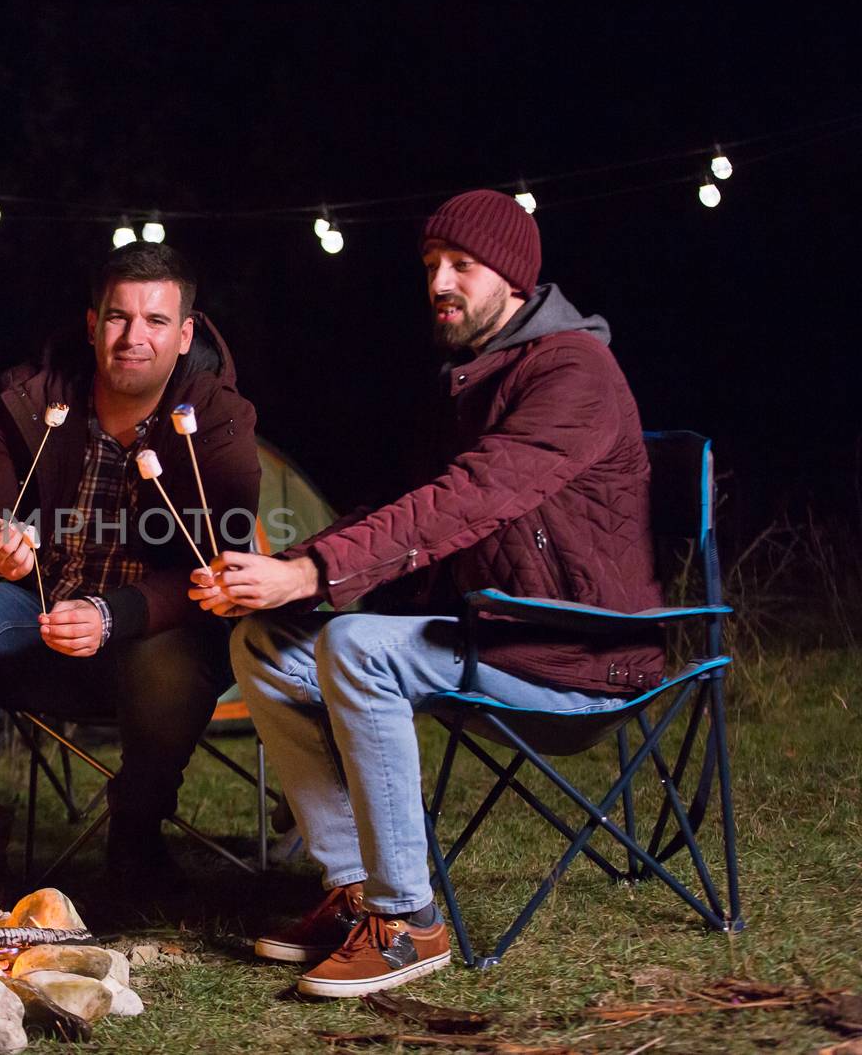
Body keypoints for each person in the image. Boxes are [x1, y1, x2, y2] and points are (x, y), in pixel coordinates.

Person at [192, 190, 663, 997]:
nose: (439, 282)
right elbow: (405, 501)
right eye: (430, 266)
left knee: (357, 645)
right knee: (265, 645)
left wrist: (314, 575)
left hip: (583, 653)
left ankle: (408, 920)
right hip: (499, 632)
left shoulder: (574, 371)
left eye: (462, 267)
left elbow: (468, 498)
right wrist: (283, 576)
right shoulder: (473, 377)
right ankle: (351, 893)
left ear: (513, 280)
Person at [0, 242, 261, 903]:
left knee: (168, 658)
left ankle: (136, 837)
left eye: (156, 321)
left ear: (185, 333)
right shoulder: (27, 403)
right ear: (91, 322)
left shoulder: (215, 419)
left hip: (152, 640)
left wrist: (113, 615)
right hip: (35, 624)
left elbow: (214, 564)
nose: (134, 337)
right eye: (117, 317)